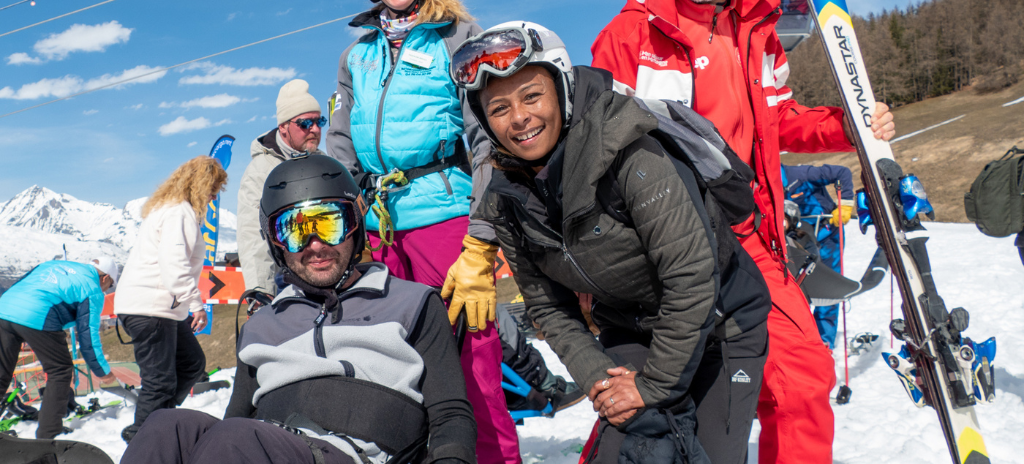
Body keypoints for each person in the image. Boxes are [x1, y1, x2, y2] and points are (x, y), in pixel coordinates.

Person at [451, 22, 771, 463]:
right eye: (499, 108)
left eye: (531, 96)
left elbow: (691, 277)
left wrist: (651, 387)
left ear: (561, 88)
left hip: (721, 325)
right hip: (631, 328)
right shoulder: (503, 199)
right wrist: (602, 381)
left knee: (710, 454)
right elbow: (548, 308)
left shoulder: (630, 153)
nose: (519, 118)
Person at [590, 1, 896, 462]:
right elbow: (592, 151)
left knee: (803, 381)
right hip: (664, 246)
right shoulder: (632, 32)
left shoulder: (757, 27)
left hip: (750, 237)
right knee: (649, 408)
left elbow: (779, 118)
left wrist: (846, 126)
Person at [121, 155, 476, 464]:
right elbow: (236, 417)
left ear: (354, 225)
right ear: (276, 245)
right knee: (167, 427)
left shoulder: (411, 303)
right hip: (262, 446)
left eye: (330, 223)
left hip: (352, 453)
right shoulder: (261, 326)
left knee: (236, 440)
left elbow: (450, 412)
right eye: (296, 231)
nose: (316, 245)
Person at [325, 1, 522, 461]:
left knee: (474, 364)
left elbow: (485, 140)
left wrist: (481, 234)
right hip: (379, 228)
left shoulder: (459, 35)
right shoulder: (357, 54)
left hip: (445, 218)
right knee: (392, 362)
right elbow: (341, 141)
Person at [114, 156, 227, 443]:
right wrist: (196, 304)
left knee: (191, 363)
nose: (215, 196)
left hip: (160, 308)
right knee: (160, 381)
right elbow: (174, 265)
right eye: (213, 188)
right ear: (200, 185)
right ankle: (145, 440)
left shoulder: (169, 209)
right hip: (151, 308)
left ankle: (158, 420)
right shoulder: (179, 212)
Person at [0, 257, 118, 439]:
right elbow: (88, 336)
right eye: (110, 285)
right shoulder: (92, 289)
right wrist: (102, 371)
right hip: (38, 314)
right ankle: (49, 433)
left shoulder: (53, 264)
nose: (106, 289)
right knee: (60, 370)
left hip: (5, 308)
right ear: (105, 278)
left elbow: (23, 283)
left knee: (2, 374)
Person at [239, 79, 327, 295]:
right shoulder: (261, 170)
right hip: (284, 282)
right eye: (305, 123)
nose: (314, 129)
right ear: (283, 127)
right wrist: (261, 291)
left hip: (324, 272)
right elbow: (253, 234)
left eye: (319, 121)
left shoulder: (324, 163)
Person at [781, 163, 854, 349]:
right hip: (797, 241)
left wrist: (844, 205)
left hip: (827, 236)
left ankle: (825, 342)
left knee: (827, 288)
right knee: (795, 290)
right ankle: (799, 340)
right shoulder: (762, 185)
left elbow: (842, 172)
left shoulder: (801, 174)